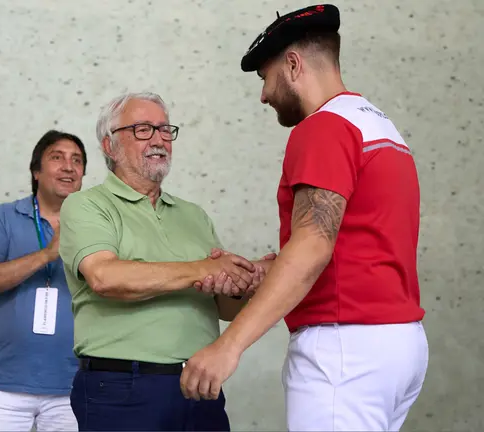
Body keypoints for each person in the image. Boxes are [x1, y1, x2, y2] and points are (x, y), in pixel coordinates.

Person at [179, 4, 428, 431]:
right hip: (399, 344)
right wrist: (268, 270)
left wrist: (228, 346)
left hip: (344, 350)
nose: (263, 96)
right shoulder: (381, 128)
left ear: (293, 64)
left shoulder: (323, 128)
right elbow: (357, 240)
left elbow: (314, 243)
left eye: (266, 78)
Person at [58, 91, 272, 431]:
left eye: (164, 129)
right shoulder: (86, 205)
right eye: (143, 129)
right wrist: (202, 269)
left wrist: (247, 280)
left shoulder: (194, 215)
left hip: (201, 385)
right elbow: (104, 277)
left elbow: (224, 309)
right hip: (122, 389)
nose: (159, 139)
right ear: (109, 146)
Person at [0, 129, 88, 431]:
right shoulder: (2, 217)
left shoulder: (95, 225)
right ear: (36, 171)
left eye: (77, 160)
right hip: (1, 388)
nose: (68, 167)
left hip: (74, 387)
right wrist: (47, 255)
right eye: (57, 158)